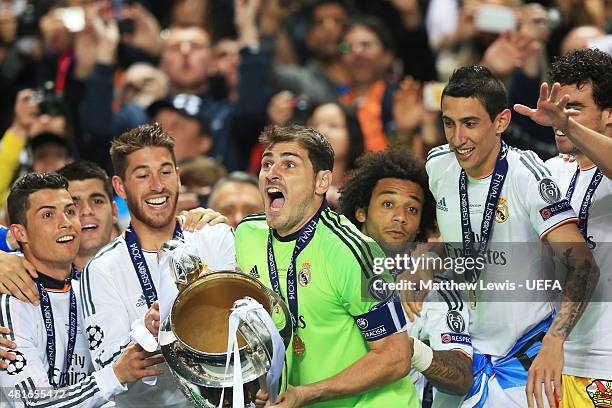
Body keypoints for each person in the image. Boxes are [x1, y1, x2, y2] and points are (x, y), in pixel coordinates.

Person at [425, 66, 598, 407]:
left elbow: (583, 266)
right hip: (460, 348)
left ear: (501, 121)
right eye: (449, 122)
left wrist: (555, 341)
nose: (458, 138)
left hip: (522, 359)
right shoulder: (437, 166)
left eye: (470, 123)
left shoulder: (526, 175)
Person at [235, 125, 419, 407]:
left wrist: (307, 392)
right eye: (267, 163)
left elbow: (395, 357)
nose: (272, 172)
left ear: (321, 183)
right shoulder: (247, 235)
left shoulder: (353, 251)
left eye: (289, 164)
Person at [80, 123, 236, 407]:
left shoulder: (215, 236)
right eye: (142, 175)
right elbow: (108, 367)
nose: (157, 185)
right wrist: (150, 332)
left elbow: (244, 325)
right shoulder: (103, 269)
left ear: (177, 177)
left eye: (165, 172)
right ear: (120, 187)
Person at [0, 172, 163, 407]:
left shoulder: (86, 288)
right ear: (19, 233)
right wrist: (115, 376)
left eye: (69, 211)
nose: (65, 222)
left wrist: (146, 333)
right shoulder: (12, 302)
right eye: (47, 215)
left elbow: (113, 364)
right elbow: (32, 403)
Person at [514, 48, 612, 408]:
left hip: (605, 364)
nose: (558, 116)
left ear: (609, 115)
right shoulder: (550, 172)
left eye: (573, 107)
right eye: (557, 105)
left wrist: (566, 125)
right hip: (549, 362)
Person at [339, 149, 472, 406]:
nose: (400, 217)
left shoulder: (432, 289)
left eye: (412, 209)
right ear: (361, 212)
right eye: (388, 204)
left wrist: (406, 349)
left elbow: (461, 376)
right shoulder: (328, 270)